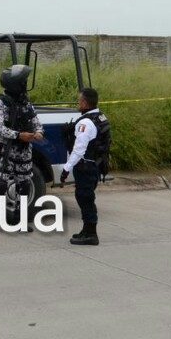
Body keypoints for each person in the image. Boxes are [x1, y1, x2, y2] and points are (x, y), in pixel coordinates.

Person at [0, 64, 45, 233]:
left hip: (24, 151)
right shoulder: (0, 103)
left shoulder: (26, 103)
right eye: (23, 82)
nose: (25, 85)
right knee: (0, 185)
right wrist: (18, 135)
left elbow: (36, 122)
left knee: (24, 185)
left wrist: (38, 133)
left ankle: (18, 220)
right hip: (6, 151)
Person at [60, 88, 111, 245]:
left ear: (84, 102)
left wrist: (66, 168)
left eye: (79, 100)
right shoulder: (100, 117)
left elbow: (79, 149)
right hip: (95, 165)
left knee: (85, 198)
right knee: (85, 197)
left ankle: (91, 234)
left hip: (86, 166)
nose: (78, 103)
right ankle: (87, 230)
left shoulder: (85, 122)